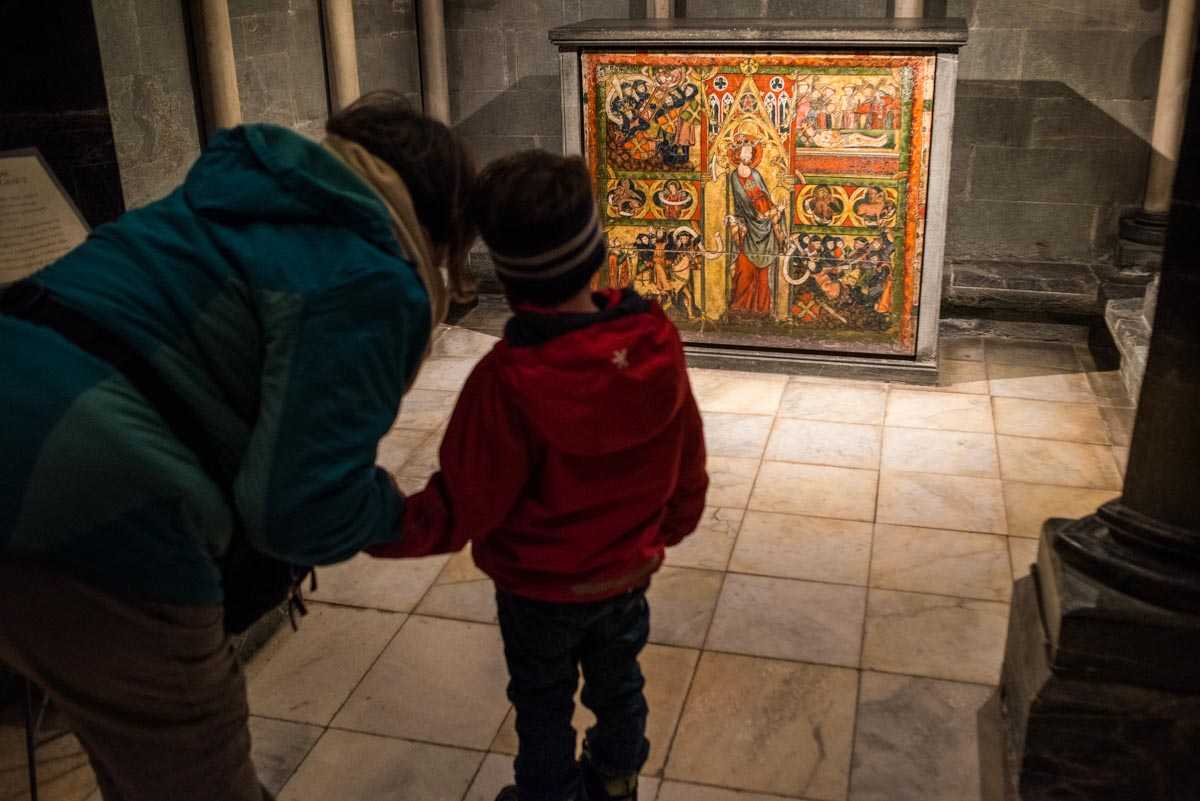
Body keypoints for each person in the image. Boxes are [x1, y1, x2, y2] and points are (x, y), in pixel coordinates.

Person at [0, 93, 476, 801]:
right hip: (99, 493)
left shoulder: (231, 196)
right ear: (443, 223)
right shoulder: (372, 275)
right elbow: (296, 506)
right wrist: (401, 517)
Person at [368, 150, 709, 801]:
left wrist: (373, 521)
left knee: (542, 699)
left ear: (506, 276)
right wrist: (667, 526)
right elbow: (685, 454)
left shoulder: (505, 383)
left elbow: (460, 504)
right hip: (624, 574)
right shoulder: (656, 343)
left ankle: (549, 794)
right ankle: (615, 777)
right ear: (597, 250)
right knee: (621, 682)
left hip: (538, 592)